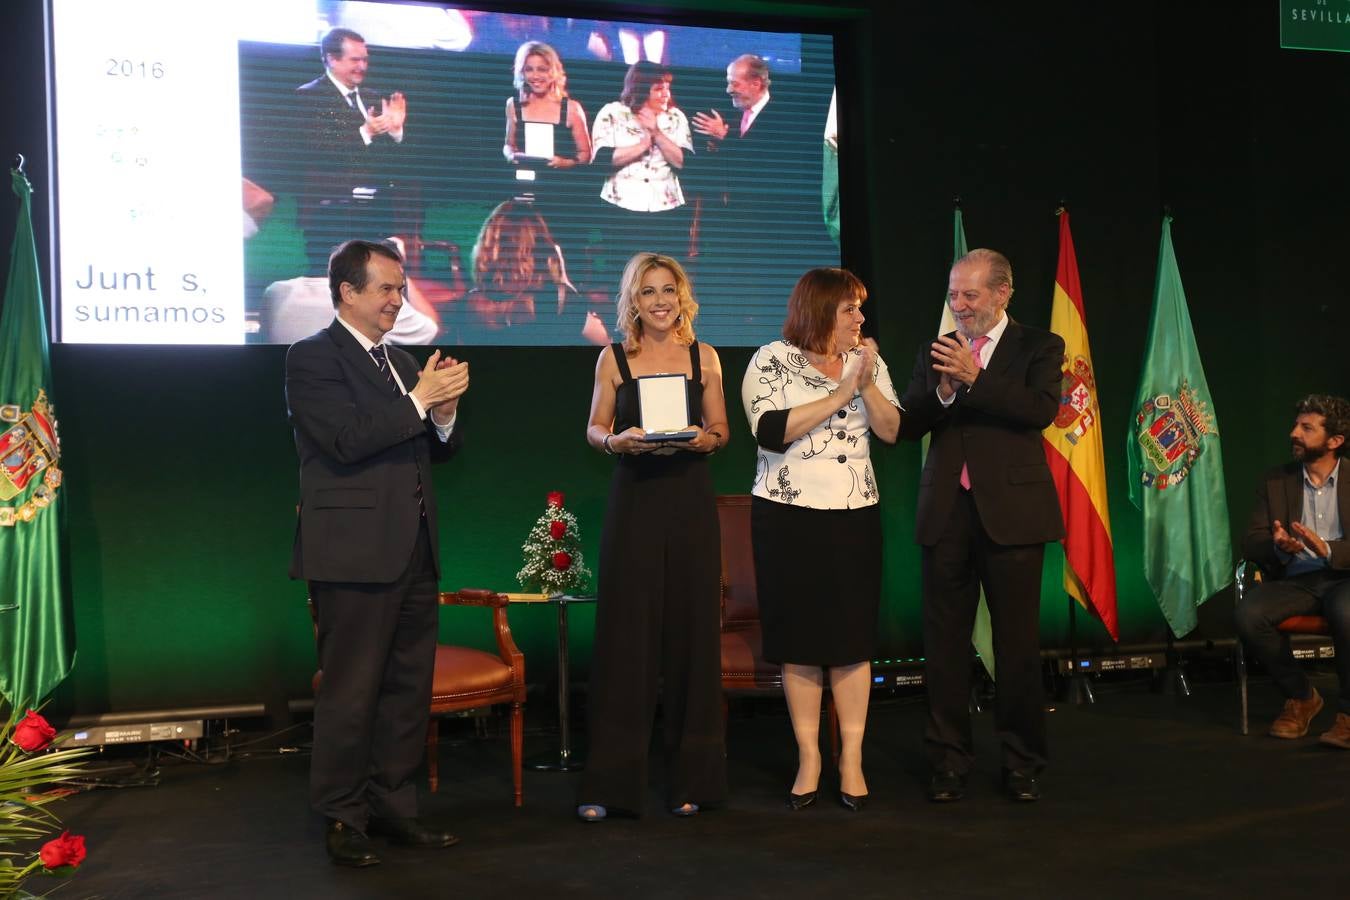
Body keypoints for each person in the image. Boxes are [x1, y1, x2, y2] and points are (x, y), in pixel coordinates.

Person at [285, 240, 469, 866]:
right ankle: (343, 816)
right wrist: (420, 402)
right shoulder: (312, 359)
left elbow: (432, 450)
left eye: (401, 288)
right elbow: (344, 441)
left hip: (414, 549)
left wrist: (442, 414)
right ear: (348, 292)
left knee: (405, 690)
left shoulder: (403, 361)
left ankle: (395, 807)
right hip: (352, 554)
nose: (399, 299)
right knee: (351, 691)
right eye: (388, 288)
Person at [896, 248, 1064, 803]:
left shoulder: (1039, 345)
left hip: (1012, 513)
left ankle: (1022, 761)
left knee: (1016, 645)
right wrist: (944, 389)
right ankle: (948, 759)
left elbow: (1040, 410)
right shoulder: (934, 350)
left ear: (1002, 294)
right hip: (946, 511)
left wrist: (975, 378)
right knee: (943, 645)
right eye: (953, 295)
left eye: (970, 295)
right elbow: (908, 422)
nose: (959, 306)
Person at [577, 252, 729, 820]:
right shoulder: (614, 358)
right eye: (648, 293)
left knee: (693, 637)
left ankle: (695, 781)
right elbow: (595, 427)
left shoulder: (704, 355)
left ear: (682, 295)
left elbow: (721, 430)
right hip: (635, 498)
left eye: (669, 290)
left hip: (689, 498)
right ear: (633, 302)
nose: (660, 301)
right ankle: (611, 787)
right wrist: (616, 443)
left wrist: (703, 440)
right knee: (626, 639)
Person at [741, 267, 899, 812]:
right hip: (788, 517)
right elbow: (769, 430)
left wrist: (867, 380)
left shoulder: (868, 363)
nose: (860, 318)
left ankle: (851, 759)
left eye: (861, 308)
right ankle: (809, 757)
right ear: (820, 310)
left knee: (852, 642)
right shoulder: (769, 359)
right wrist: (841, 391)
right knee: (800, 641)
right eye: (850, 308)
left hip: (854, 515)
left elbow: (891, 430)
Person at [1235, 394, 1350, 747]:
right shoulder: (1276, 480)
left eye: (1306, 428)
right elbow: (1250, 539)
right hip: (1296, 579)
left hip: (1345, 576)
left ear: (1334, 441)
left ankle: (1348, 715)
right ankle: (1301, 696)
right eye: (1296, 425)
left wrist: (1327, 549)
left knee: (1347, 612)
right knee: (1249, 614)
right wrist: (1277, 544)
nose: (1294, 433)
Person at [294, 28, 410, 272]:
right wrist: (365, 133)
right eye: (355, 60)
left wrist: (395, 131)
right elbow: (318, 151)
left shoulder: (373, 97)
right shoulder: (309, 96)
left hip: (376, 210)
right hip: (330, 214)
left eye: (365, 59)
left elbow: (390, 158)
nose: (362, 66)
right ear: (332, 58)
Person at [457, 199, 606, 345]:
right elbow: (606, 342)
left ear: (487, 248)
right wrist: (562, 281)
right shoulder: (557, 299)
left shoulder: (468, 304)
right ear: (541, 248)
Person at [590, 62, 693, 272]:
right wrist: (644, 144)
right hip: (621, 209)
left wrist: (656, 133)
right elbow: (602, 160)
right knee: (625, 273)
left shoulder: (676, 117)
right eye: (658, 88)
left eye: (667, 87)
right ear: (640, 89)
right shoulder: (612, 113)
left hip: (667, 209)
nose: (666, 93)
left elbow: (683, 162)